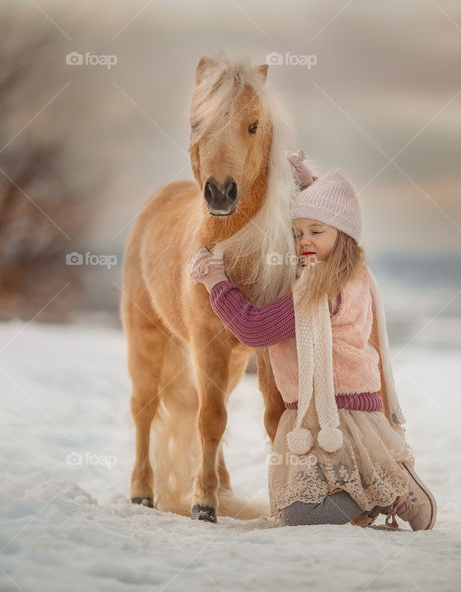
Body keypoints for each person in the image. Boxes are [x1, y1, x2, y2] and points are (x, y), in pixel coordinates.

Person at [186, 151, 436, 531]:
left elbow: (255, 330)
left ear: (343, 235)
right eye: (298, 232)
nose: (305, 241)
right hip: (322, 413)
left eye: (316, 232)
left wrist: (215, 282)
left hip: (338, 417)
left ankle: (394, 489)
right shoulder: (354, 272)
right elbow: (335, 209)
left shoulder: (319, 290)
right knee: (298, 512)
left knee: (301, 516)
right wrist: (311, 185)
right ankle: (375, 493)